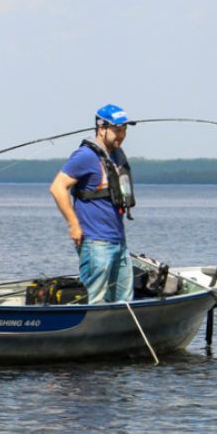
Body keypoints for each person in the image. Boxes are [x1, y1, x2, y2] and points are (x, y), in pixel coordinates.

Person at [50, 104, 137, 303]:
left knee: (124, 302)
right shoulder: (86, 156)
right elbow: (57, 187)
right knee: (93, 301)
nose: (121, 135)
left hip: (118, 243)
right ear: (101, 128)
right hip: (95, 243)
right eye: (117, 130)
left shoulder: (115, 155)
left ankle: (118, 334)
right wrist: (73, 224)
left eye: (124, 130)